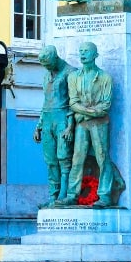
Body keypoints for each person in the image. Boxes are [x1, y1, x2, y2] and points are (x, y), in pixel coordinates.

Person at [57, 41, 126, 208]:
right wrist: (87, 113)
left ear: (95, 55)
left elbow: (105, 106)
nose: (83, 54)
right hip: (82, 125)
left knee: (103, 158)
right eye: (81, 51)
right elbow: (72, 103)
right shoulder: (73, 77)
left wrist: (84, 114)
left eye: (86, 51)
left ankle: (105, 195)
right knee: (77, 159)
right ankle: (72, 195)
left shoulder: (105, 78)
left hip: (99, 124)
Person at [33, 46, 74, 207]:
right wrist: (39, 125)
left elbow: (74, 100)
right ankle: (53, 196)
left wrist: (70, 126)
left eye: (49, 64)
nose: (47, 68)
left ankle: (64, 194)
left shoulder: (70, 73)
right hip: (48, 119)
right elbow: (46, 102)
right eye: (44, 66)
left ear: (55, 58)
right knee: (50, 160)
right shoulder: (46, 76)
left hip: (63, 119)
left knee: (63, 158)